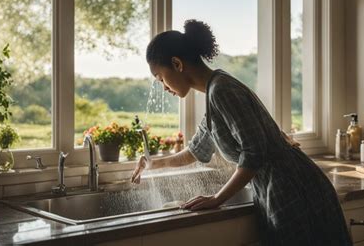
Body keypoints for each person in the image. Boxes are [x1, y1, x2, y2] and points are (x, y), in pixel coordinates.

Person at [131, 19, 352, 246]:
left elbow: (253, 152)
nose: (164, 88)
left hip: (291, 186)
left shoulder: (221, 90)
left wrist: (217, 198)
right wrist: (152, 164)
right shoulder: (213, 96)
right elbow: (195, 151)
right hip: (277, 186)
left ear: (177, 64)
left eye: (160, 79)